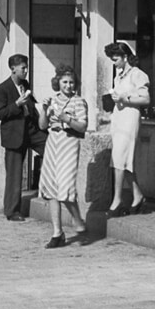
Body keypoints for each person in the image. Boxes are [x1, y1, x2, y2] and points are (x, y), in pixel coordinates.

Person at [38, 65, 88, 249]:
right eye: (65, 82)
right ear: (58, 82)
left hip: (69, 142)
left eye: (71, 82)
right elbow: (42, 125)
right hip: (53, 141)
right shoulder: (52, 100)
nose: (68, 85)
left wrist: (66, 119)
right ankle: (57, 233)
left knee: (65, 187)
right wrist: (44, 110)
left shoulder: (79, 102)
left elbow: (82, 127)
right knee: (51, 187)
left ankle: (79, 223)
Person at [0, 54, 48, 222]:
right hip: (14, 134)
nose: (26, 71)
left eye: (26, 67)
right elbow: (0, 113)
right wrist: (17, 104)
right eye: (23, 68)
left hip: (31, 130)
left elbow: (31, 104)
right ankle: (12, 211)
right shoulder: (3, 88)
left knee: (52, 149)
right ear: (13, 69)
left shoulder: (25, 85)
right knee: (14, 173)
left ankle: (51, 189)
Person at [103, 41, 150, 217]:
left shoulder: (138, 75)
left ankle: (117, 200)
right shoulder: (119, 76)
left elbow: (145, 99)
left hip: (130, 119)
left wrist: (125, 97)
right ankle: (138, 196)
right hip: (119, 118)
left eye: (115, 59)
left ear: (124, 57)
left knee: (119, 158)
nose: (113, 63)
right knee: (123, 159)